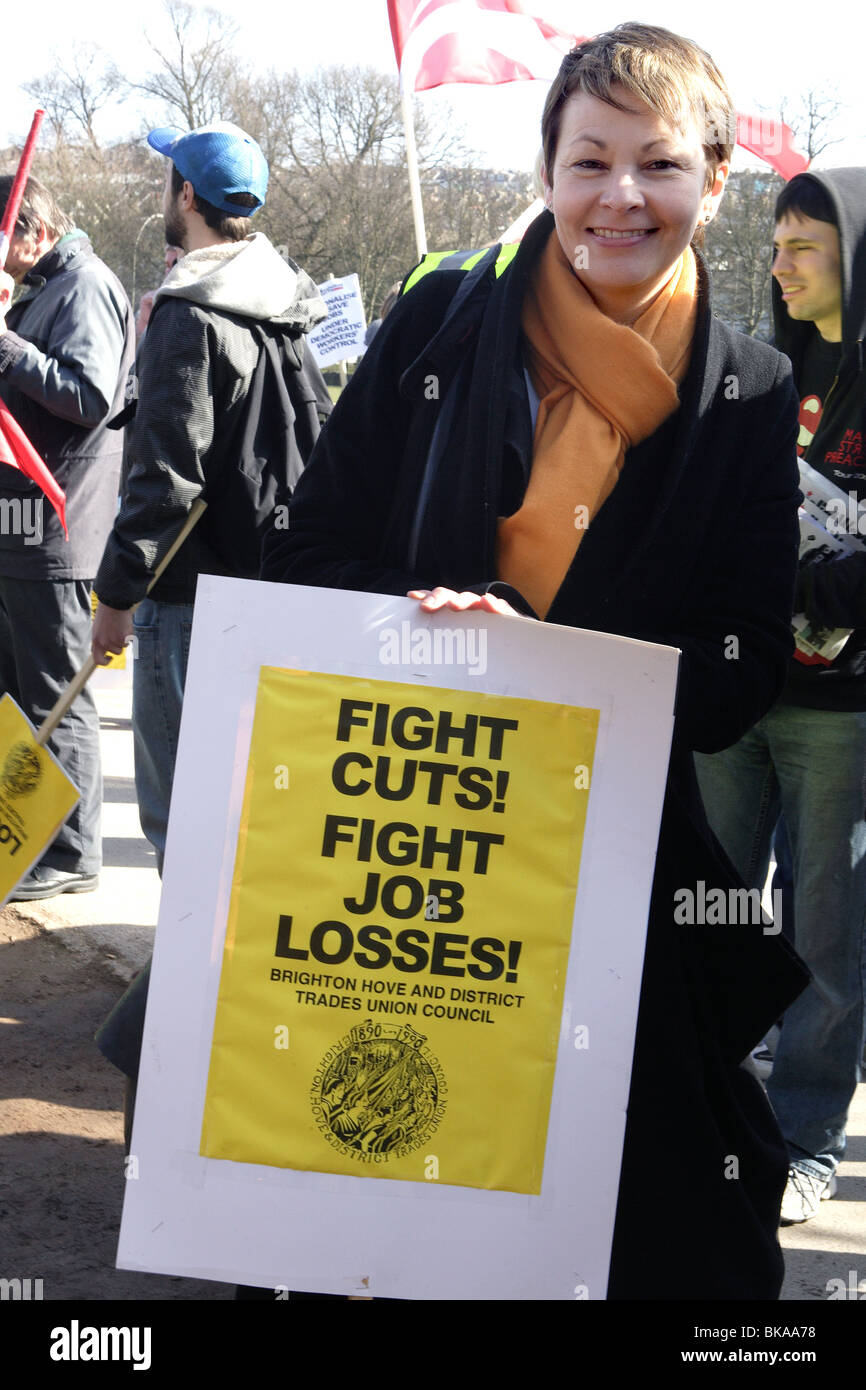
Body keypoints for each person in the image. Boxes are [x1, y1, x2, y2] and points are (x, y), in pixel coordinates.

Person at [261, 23, 809, 1299]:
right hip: (401, 849)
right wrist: (420, 618)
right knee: (369, 1198)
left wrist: (557, 669)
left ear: (712, 181)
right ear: (548, 169)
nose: (621, 196)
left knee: (669, 1238)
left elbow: (737, 676)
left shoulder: (748, 387)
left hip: (611, 870)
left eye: (658, 165)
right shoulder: (441, 320)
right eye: (590, 160)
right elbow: (307, 554)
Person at [91, 120, 331, 872]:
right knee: (247, 810)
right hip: (272, 588)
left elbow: (164, 474)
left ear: (187, 194)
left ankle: (184, 986)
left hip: (190, 599)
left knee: (185, 819)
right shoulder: (282, 301)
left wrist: (115, 598)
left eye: (167, 179)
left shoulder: (190, 309)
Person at [695, 169, 866, 1225]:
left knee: (824, 933)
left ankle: (804, 1135)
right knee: (704, 902)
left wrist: (806, 584)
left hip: (838, 712)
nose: (778, 263)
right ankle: (701, 1103)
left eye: (803, 244)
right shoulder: (758, 369)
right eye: (773, 242)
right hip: (734, 688)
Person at [0, 175, 134, 900]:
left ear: (33, 229)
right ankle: (30, 833)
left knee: (59, 690)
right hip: (19, 525)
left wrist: (6, 347)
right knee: (21, 694)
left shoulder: (84, 287)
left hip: (60, 524)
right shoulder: (39, 290)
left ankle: (74, 853)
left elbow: (89, 394)